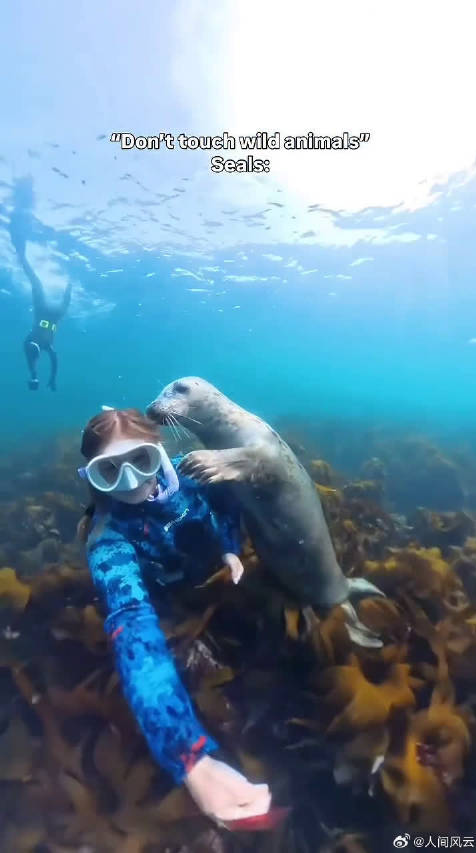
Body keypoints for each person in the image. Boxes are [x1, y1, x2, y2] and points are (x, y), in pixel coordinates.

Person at [77, 408, 272, 828]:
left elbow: (231, 503)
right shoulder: (108, 541)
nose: (131, 480)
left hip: (224, 584)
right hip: (171, 609)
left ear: (161, 451)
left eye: (140, 460)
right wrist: (190, 758)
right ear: (92, 477)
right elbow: (133, 630)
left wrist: (230, 546)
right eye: (110, 470)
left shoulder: (196, 473)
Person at [9, 187, 72, 391]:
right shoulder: (44, 346)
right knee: (37, 283)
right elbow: (54, 360)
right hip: (50, 314)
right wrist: (47, 378)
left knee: (37, 283)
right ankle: (69, 279)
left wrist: (37, 376)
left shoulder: (39, 345)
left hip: (49, 314)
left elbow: (52, 359)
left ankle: (22, 254)